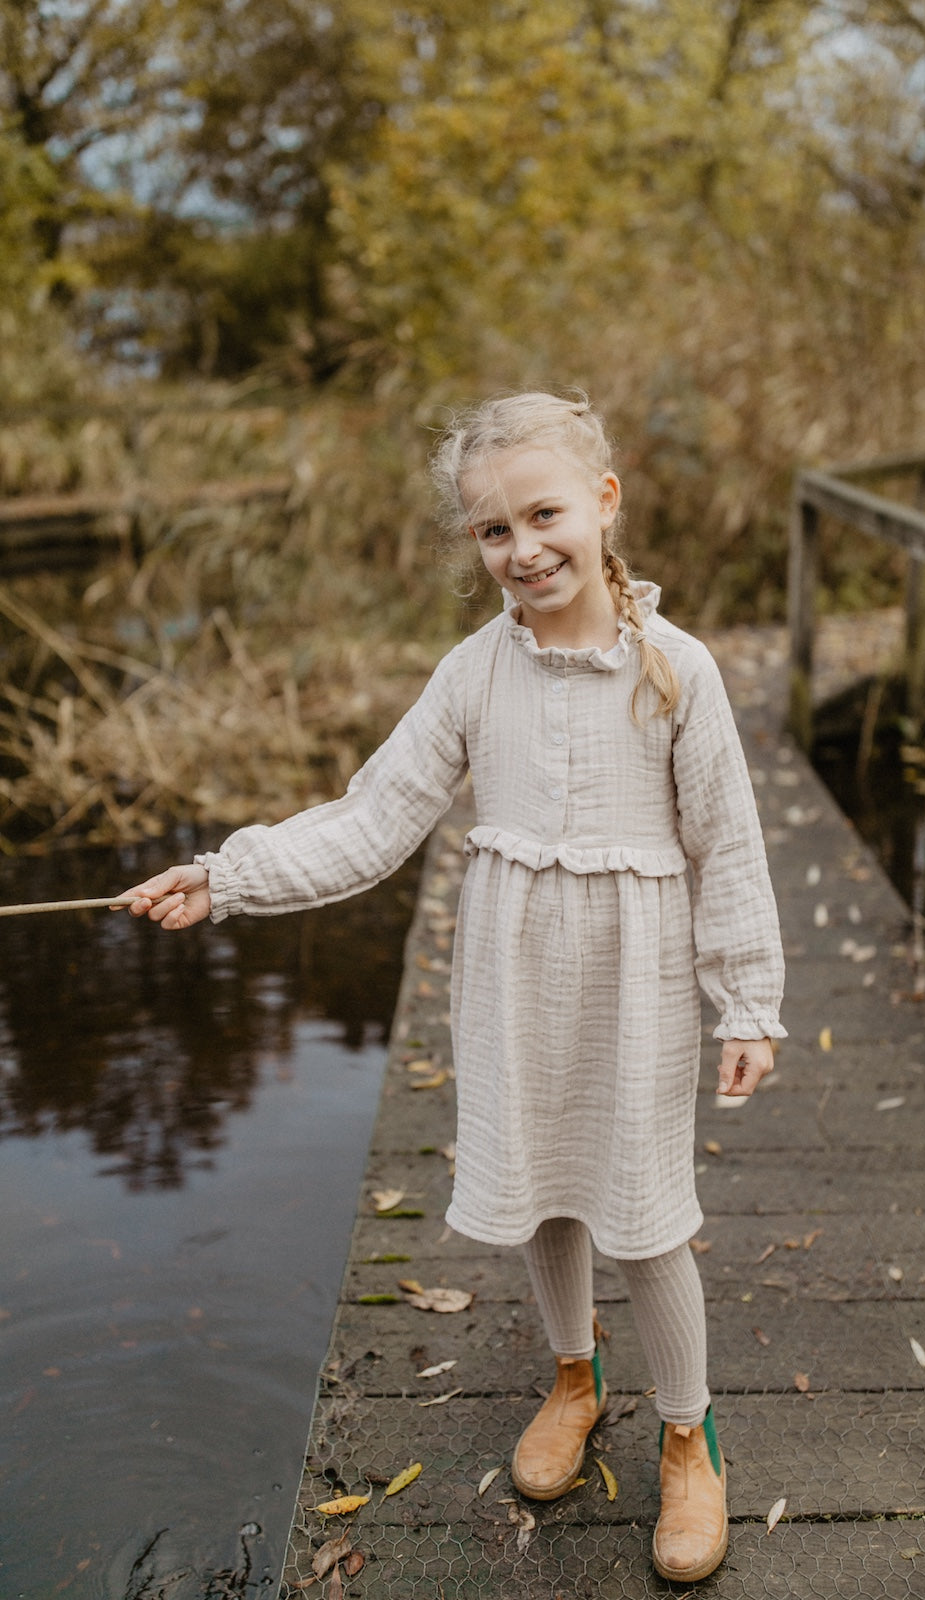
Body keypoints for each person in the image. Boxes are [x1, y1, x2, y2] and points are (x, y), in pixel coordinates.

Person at [122, 391, 785, 1583]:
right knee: (540, 1192)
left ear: (601, 502)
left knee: (643, 1216)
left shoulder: (675, 670)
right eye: (492, 530)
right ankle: (572, 1377)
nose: (523, 549)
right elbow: (371, 820)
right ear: (472, 543)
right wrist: (227, 878)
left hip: (632, 983)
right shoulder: (472, 674)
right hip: (515, 973)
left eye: (543, 514)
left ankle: (690, 1436)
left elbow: (726, 846)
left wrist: (746, 1000)